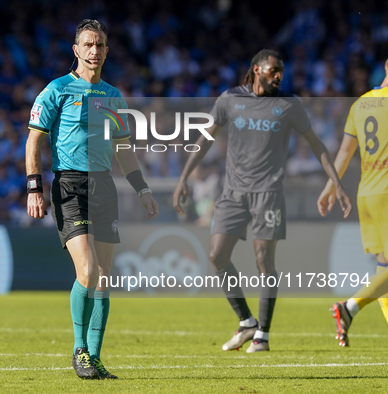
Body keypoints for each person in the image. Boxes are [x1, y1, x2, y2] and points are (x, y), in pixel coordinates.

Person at [173, 49, 352, 353]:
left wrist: (336, 182)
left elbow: (317, 144)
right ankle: (246, 322)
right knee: (217, 255)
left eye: (281, 70)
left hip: (268, 193)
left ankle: (263, 335)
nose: (278, 75)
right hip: (232, 192)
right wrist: (183, 177)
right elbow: (205, 138)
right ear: (256, 70)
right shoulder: (230, 99)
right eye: (273, 70)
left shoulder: (288, 105)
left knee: (263, 261)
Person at [25, 19, 159, 379]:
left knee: (103, 276)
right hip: (69, 185)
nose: (94, 51)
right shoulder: (57, 90)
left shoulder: (113, 96)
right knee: (85, 271)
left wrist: (143, 189)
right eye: (88, 45)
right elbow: (34, 139)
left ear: (106, 51)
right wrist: (34, 187)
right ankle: (79, 350)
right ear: (76, 50)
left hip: (104, 186)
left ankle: (96, 358)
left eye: (99, 45)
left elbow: (123, 149)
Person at [319, 59, 388, 347]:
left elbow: (345, 152)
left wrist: (330, 186)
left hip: (367, 193)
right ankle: (349, 308)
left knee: (384, 270)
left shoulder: (360, 104)